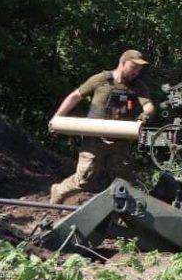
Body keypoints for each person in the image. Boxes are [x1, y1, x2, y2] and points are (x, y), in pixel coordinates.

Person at [50, 49, 158, 204]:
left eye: (139, 69)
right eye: (133, 67)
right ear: (122, 63)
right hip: (95, 138)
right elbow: (76, 96)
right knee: (85, 179)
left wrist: (145, 116)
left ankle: (117, 216)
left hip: (121, 140)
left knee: (122, 181)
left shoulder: (138, 86)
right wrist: (58, 116)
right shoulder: (101, 80)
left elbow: (148, 106)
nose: (136, 72)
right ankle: (58, 191)